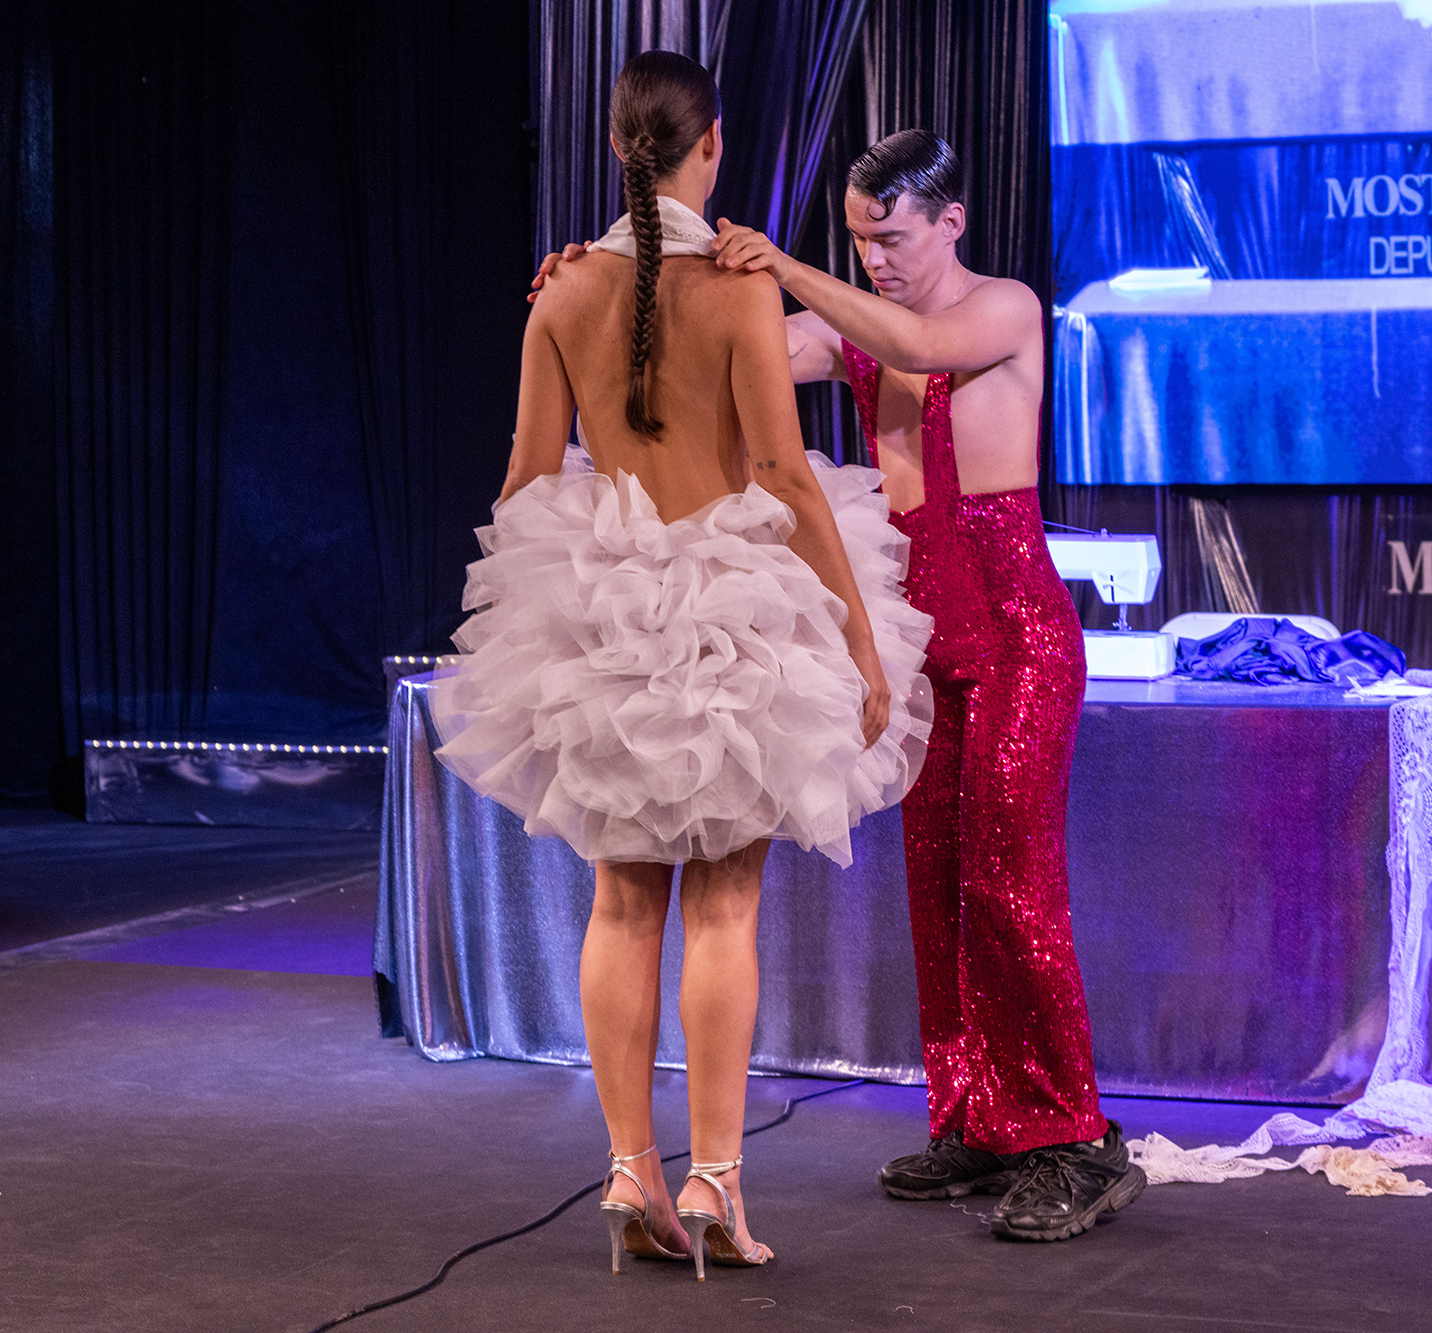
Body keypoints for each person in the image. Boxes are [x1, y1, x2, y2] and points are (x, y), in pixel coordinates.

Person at [532, 129, 1147, 1244]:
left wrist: (781, 264)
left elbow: (917, 340)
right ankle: (977, 1116)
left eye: (892, 238)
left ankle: (1072, 1137)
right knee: (939, 890)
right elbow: (704, 345)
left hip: (1017, 643)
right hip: (923, 650)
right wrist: (606, 280)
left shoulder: (1002, 309)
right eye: (861, 241)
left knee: (1010, 887)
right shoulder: (852, 327)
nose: (876, 260)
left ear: (951, 223)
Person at [435, 51, 933, 1280]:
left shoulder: (561, 290)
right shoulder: (735, 288)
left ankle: (627, 1168)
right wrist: (856, 634)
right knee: (721, 905)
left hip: (610, 616)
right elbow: (781, 473)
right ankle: (714, 1178)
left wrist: (548, 608)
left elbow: (524, 479)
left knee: (621, 901)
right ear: (710, 147)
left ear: (619, 150)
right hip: (735, 611)